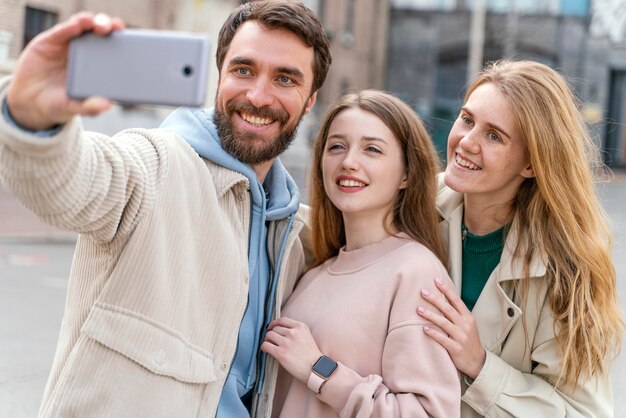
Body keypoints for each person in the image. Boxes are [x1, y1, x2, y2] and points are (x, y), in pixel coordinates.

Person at [0, 1, 331, 417]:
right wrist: (32, 119)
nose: (258, 95)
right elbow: (72, 182)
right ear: (219, 75)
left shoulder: (291, 235)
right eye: (243, 70)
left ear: (309, 100)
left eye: (285, 79)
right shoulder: (158, 164)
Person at [416, 59, 624, 417]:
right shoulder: (412, 204)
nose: (466, 142)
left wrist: (480, 365)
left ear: (531, 164)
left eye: (494, 135)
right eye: (467, 120)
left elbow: (584, 412)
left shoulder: (566, 269)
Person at [261, 90, 461, 417]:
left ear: (407, 174)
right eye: (337, 146)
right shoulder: (312, 274)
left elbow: (429, 412)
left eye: (371, 149)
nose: (349, 162)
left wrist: (318, 368)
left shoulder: (415, 272)